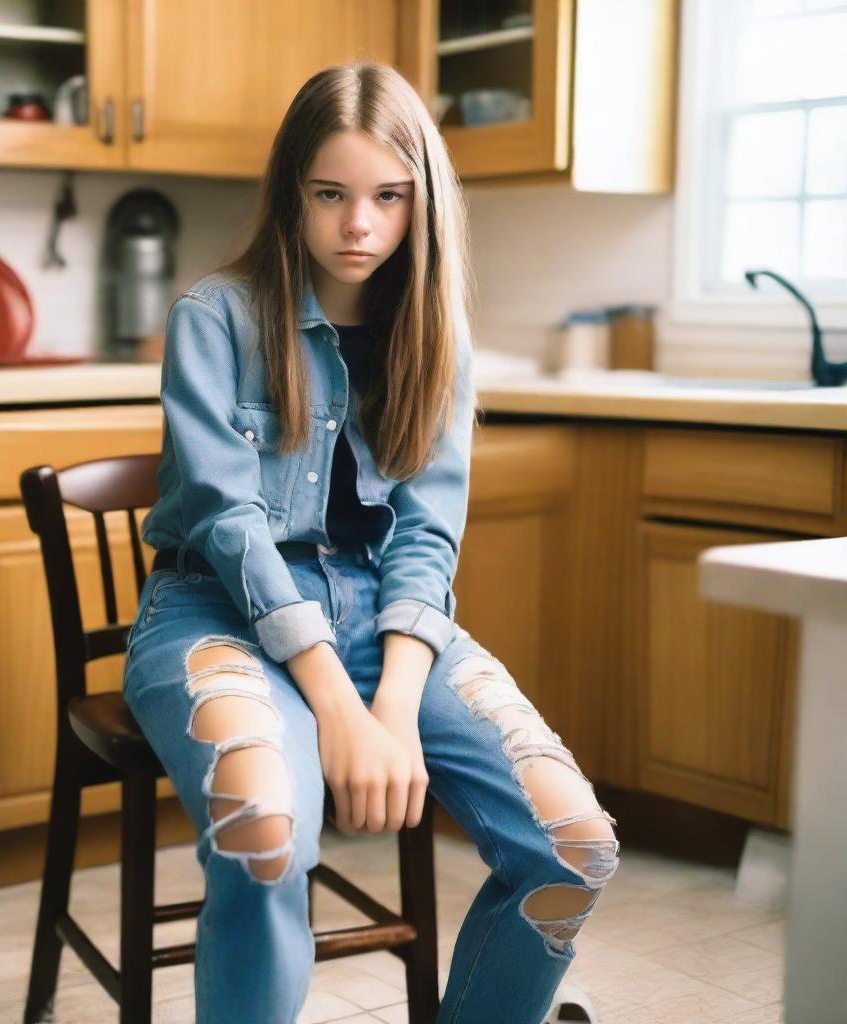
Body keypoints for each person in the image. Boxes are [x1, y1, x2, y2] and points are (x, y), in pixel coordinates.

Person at [123, 60, 619, 1024]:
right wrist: (335, 713)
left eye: (389, 197)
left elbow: (428, 534)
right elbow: (231, 529)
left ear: (419, 203)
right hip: (213, 615)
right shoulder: (214, 319)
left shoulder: (438, 337)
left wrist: (388, 705)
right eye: (331, 195)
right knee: (265, 834)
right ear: (290, 197)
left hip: (388, 626)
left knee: (575, 846)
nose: (360, 225)